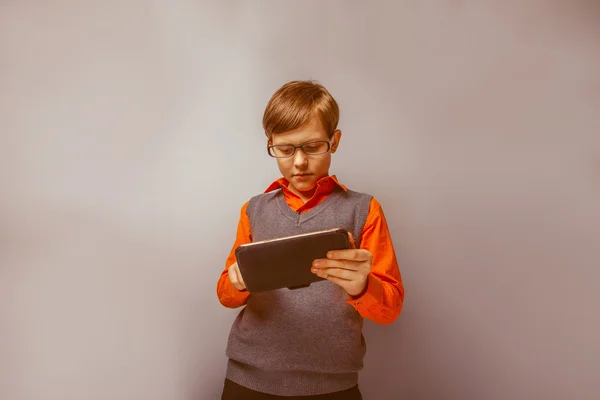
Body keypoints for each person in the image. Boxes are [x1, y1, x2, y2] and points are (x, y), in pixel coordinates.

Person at [216, 80, 404, 399]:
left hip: (333, 387)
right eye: (285, 150)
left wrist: (362, 287)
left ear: (335, 141)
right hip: (247, 381)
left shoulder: (364, 209)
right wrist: (236, 283)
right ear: (270, 144)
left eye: (313, 147)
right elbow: (225, 293)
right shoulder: (254, 209)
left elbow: (390, 307)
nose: (299, 162)